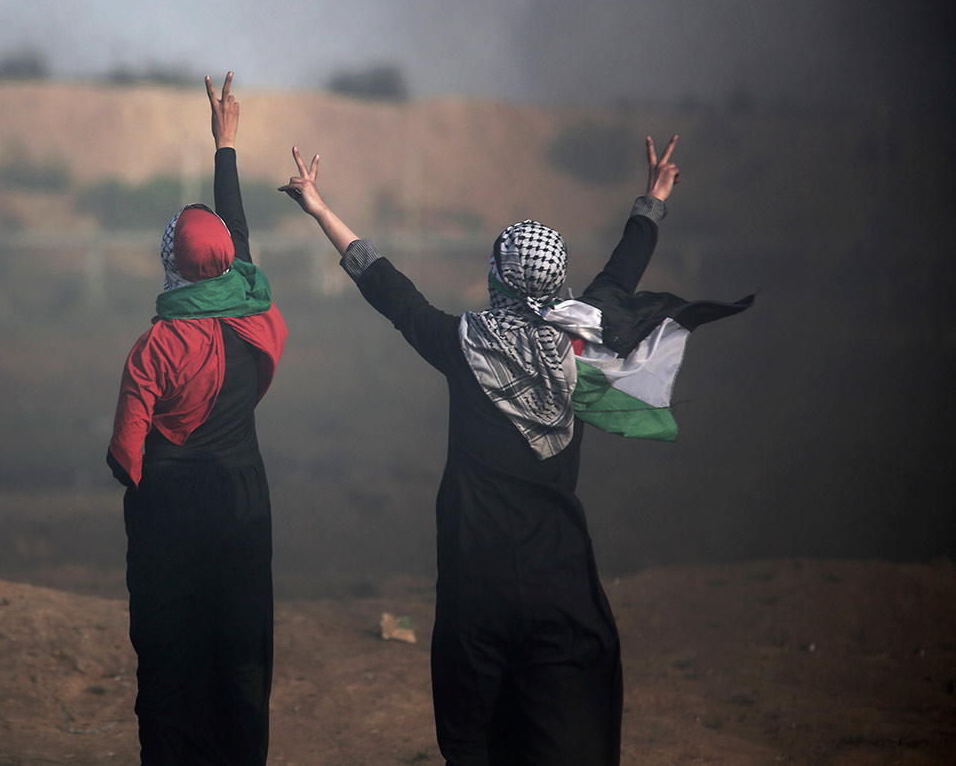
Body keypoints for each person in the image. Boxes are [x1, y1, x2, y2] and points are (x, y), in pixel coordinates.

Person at [279, 138, 748, 764]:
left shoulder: (459, 342)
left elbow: (387, 287)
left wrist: (318, 207)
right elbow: (622, 269)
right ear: (556, 280)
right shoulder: (583, 337)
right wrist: (654, 198)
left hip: (476, 584)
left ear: (498, 276)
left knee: (477, 738)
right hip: (559, 581)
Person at [106, 73, 288, 765]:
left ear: (170, 265)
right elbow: (236, 235)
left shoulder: (156, 346)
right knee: (242, 652)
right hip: (245, 497)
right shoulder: (253, 308)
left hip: (172, 512)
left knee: (170, 660)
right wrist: (226, 144)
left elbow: (128, 458)